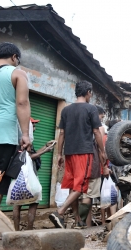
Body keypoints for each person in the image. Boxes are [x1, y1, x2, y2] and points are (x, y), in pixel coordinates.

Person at [49, 80, 106, 229]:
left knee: (72, 184)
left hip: (69, 152)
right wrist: (102, 150)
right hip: (84, 151)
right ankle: (60, 212)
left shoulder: (66, 110)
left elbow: (61, 133)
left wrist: (59, 154)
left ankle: (77, 220)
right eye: (91, 93)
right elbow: (96, 132)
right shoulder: (91, 109)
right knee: (81, 186)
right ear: (88, 93)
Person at [0, 42, 32, 206]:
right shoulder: (17, 74)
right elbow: (22, 103)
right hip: (3, 136)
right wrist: (25, 134)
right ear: (14, 57)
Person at [12, 118, 55, 231]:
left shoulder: (19, 139)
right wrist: (45, 151)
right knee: (33, 203)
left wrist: (46, 146)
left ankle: (17, 231)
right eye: (33, 125)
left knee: (18, 203)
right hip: (28, 177)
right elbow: (29, 157)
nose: (35, 128)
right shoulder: (24, 141)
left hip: (18, 176)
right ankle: (28, 230)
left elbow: (32, 154)